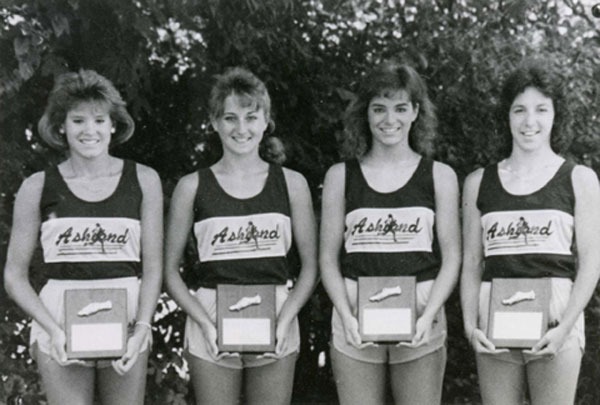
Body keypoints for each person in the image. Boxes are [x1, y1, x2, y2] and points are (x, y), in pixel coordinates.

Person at [3, 70, 163, 404]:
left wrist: (143, 328)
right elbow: (14, 276)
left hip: (128, 314)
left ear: (113, 125)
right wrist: (53, 329)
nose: (89, 131)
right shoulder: (36, 186)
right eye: (78, 121)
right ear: (61, 126)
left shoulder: (145, 180)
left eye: (99, 120)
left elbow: (153, 268)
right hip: (58, 317)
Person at [164, 67, 317, 405]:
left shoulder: (292, 184)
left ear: (266, 121)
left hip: (276, 314)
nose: (242, 128)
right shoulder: (191, 187)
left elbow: (310, 267)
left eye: (251, 117)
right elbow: (169, 272)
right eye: (230, 118)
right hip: (211, 317)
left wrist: (286, 317)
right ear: (214, 122)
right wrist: (204, 322)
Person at [319, 61, 461, 405]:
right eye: (379, 109)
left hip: (421, 315)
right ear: (365, 114)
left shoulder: (439, 176)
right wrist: (346, 314)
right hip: (355, 314)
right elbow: (327, 257)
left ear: (415, 112)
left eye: (400, 108)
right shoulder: (341, 176)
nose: (389, 120)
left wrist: (429, 315)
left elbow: (453, 256)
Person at [460, 61, 600, 404]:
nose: (529, 121)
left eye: (541, 109)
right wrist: (469, 325)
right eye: (519, 109)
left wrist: (565, 327)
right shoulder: (479, 182)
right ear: (506, 116)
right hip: (494, 315)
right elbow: (472, 263)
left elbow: (592, 261)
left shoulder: (579, 179)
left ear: (556, 115)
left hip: (557, 317)